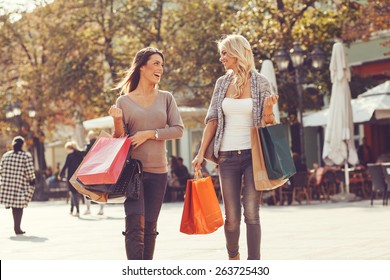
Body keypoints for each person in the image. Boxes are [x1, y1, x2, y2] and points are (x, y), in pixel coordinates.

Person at [192, 34, 278, 260]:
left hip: (253, 156)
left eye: (224, 53)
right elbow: (212, 119)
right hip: (226, 157)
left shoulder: (261, 83)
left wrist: (268, 110)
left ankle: (254, 265)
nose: (221, 58)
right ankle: (233, 257)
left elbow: (269, 123)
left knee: (251, 212)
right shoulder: (222, 83)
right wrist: (201, 153)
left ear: (238, 52)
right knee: (231, 217)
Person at [108, 47, 184, 260]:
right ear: (142, 66)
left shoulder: (166, 98)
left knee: (150, 227)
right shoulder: (124, 101)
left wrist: (150, 134)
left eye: (162, 64)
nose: (160, 68)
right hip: (133, 173)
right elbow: (118, 140)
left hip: (158, 171)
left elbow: (178, 129)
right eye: (156, 63)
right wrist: (116, 121)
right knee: (134, 225)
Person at [0, 136, 36, 235]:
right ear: (22, 144)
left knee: (14, 206)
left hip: (8, 185)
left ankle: (16, 226)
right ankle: (17, 228)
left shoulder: (6, 155)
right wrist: (32, 180)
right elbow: (29, 171)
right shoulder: (25, 156)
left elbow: (1, 170)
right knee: (19, 207)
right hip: (20, 184)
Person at [59, 141, 84, 217]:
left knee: (73, 193)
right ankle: (72, 209)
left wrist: (60, 174)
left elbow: (65, 165)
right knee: (73, 193)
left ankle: (77, 210)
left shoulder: (70, 156)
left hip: (70, 176)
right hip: (79, 176)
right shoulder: (80, 155)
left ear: (70, 148)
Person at [83, 130, 104, 215]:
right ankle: (101, 209)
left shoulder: (88, 145)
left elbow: (84, 155)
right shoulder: (100, 144)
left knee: (86, 190)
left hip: (90, 170)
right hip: (99, 169)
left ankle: (88, 209)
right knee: (101, 190)